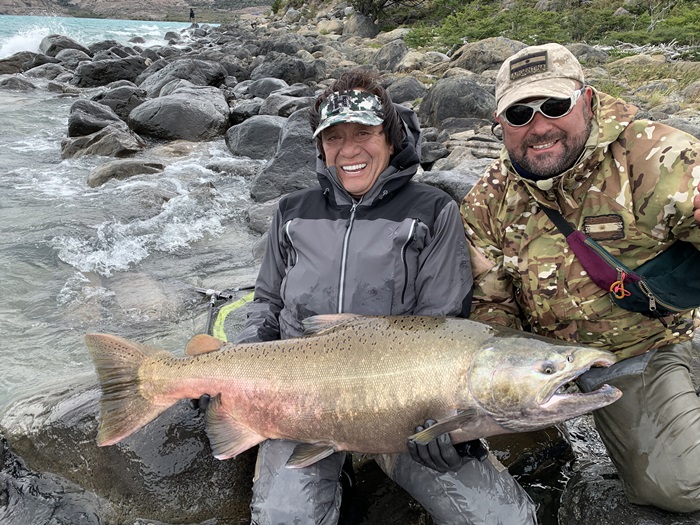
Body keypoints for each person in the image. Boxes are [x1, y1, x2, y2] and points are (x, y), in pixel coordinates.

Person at [231, 69, 538, 524]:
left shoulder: (433, 211)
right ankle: (338, 474)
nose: (348, 149)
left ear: (391, 140)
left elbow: (442, 329)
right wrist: (238, 367)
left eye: (364, 133)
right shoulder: (292, 212)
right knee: (284, 518)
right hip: (300, 403)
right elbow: (266, 304)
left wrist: (451, 427)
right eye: (333, 137)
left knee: (502, 520)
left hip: (404, 411)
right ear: (320, 146)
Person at [461, 42, 700, 514]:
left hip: (644, 346)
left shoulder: (659, 158)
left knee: (681, 485)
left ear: (587, 101)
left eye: (555, 106)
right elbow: (490, 310)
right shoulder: (486, 201)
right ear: (500, 124)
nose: (539, 127)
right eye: (519, 115)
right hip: (550, 364)